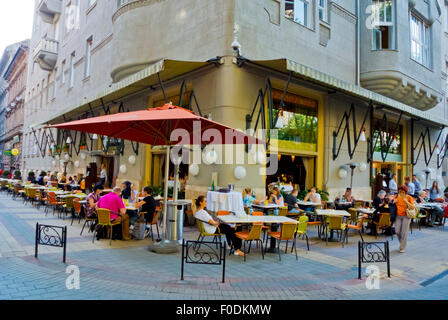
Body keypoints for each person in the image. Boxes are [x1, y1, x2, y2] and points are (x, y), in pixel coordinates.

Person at [394, 185, 415, 253]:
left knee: (404, 232)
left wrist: (406, 202)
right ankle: (402, 243)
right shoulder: (396, 196)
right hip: (398, 216)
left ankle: (402, 247)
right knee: (397, 231)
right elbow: (390, 203)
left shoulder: (409, 197)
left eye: (403, 192)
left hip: (406, 216)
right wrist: (393, 202)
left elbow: (412, 207)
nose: (401, 193)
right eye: (400, 191)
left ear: (405, 192)